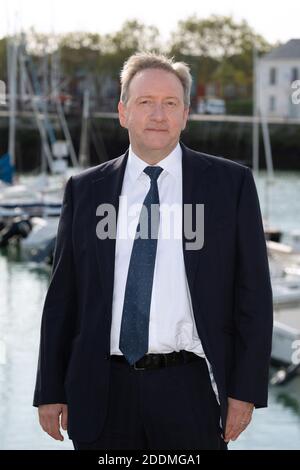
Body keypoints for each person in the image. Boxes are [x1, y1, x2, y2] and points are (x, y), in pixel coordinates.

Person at [33, 52, 273, 450]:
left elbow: (254, 297)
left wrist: (245, 391)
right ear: (123, 112)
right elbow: (63, 296)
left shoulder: (231, 186)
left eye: (170, 103)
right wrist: (49, 388)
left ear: (186, 114)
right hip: (101, 390)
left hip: (192, 390)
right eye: (145, 102)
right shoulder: (85, 189)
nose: (158, 114)